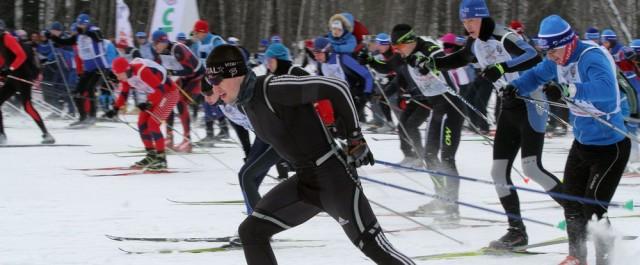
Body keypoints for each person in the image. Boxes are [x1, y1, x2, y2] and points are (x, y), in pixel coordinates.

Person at [206, 44, 414, 265]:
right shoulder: (246, 104)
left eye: (216, 80)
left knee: (374, 247)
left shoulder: (271, 88)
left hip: (334, 179)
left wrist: (355, 139)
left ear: (235, 72)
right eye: (210, 81)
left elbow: (337, 87)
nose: (214, 88)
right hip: (305, 181)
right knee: (251, 231)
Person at [422, 0, 565, 249]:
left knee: (532, 168)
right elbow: (461, 58)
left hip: (532, 102)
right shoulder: (475, 43)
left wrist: (502, 66)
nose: (468, 26)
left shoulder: (503, 35)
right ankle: (516, 231)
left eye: (472, 21)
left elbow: (532, 55)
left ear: (483, 18)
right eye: (464, 22)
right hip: (509, 107)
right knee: (498, 172)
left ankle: (579, 213)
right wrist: (435, 64)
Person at [505, 15, 630, 265]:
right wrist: (515, 87)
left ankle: (605, 260)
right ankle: (577, 257)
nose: (550, 56)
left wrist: (569, 89)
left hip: (610, 147)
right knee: (572, 204)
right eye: (547, 51)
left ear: (569, 43)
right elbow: (536, 75)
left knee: (593, 208)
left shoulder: (591, 57)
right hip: (583, 144)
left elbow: (605, 93)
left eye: (554, 50)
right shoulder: (556, 59)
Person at [106, 57, 179, 170]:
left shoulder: (142, 71)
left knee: (153, 124)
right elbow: (124, 93)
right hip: (155, 95)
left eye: (118, 73)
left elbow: (160, 90)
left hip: (169, 94)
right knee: (142, 123)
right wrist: (115, 109)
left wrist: (148, 103)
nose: (117, 76)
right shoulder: (126, 76)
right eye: (116, 74)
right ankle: (151, 155)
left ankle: (161, 159)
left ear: (125, 70)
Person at [48, 13, 110, 127]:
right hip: (88, 69)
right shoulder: (78, 35)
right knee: (77, 92)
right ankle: (82, 117)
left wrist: (85, 32)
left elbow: (98, 37)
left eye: (82, 24)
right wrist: (53, 38)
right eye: (79, 24)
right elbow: (66, 42)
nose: (80, 26)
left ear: (87, 24)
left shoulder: (94, 30)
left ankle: (92, 116)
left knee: (90, 88)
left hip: (100, 66)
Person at [0, 19, 54, 144]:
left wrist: (10, 69)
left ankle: (47, 134)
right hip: (12, 78)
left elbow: (21, 55)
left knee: (27, 107)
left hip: (22, 76)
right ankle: (1, 136)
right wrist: (2, 72)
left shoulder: (7, 38)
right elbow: (2, 59)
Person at [151, 29, 203, 152]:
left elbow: (190, 70)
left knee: (180, 102)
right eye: (153, 44)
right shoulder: (160, 53)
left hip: (197, 76)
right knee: (169, 100)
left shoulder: (177, 49)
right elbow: (155, 68)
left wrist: (171, 72)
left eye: (156, 43)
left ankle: (187, 139)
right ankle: (169, 137)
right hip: (183, 78)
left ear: (163, 41)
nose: (154, 46)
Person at [357, 32, 397, 134]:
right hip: (389, 79)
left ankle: (402, 124)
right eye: (380, 44)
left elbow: (390, 67)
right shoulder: (378, 52)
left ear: (389, 44)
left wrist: (372, 62)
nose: (381, 46)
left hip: (401, 79)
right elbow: (382, 66)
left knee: (394, 100)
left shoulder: (394, 52)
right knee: (380, 99)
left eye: (384, 44)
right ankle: (388, 123)